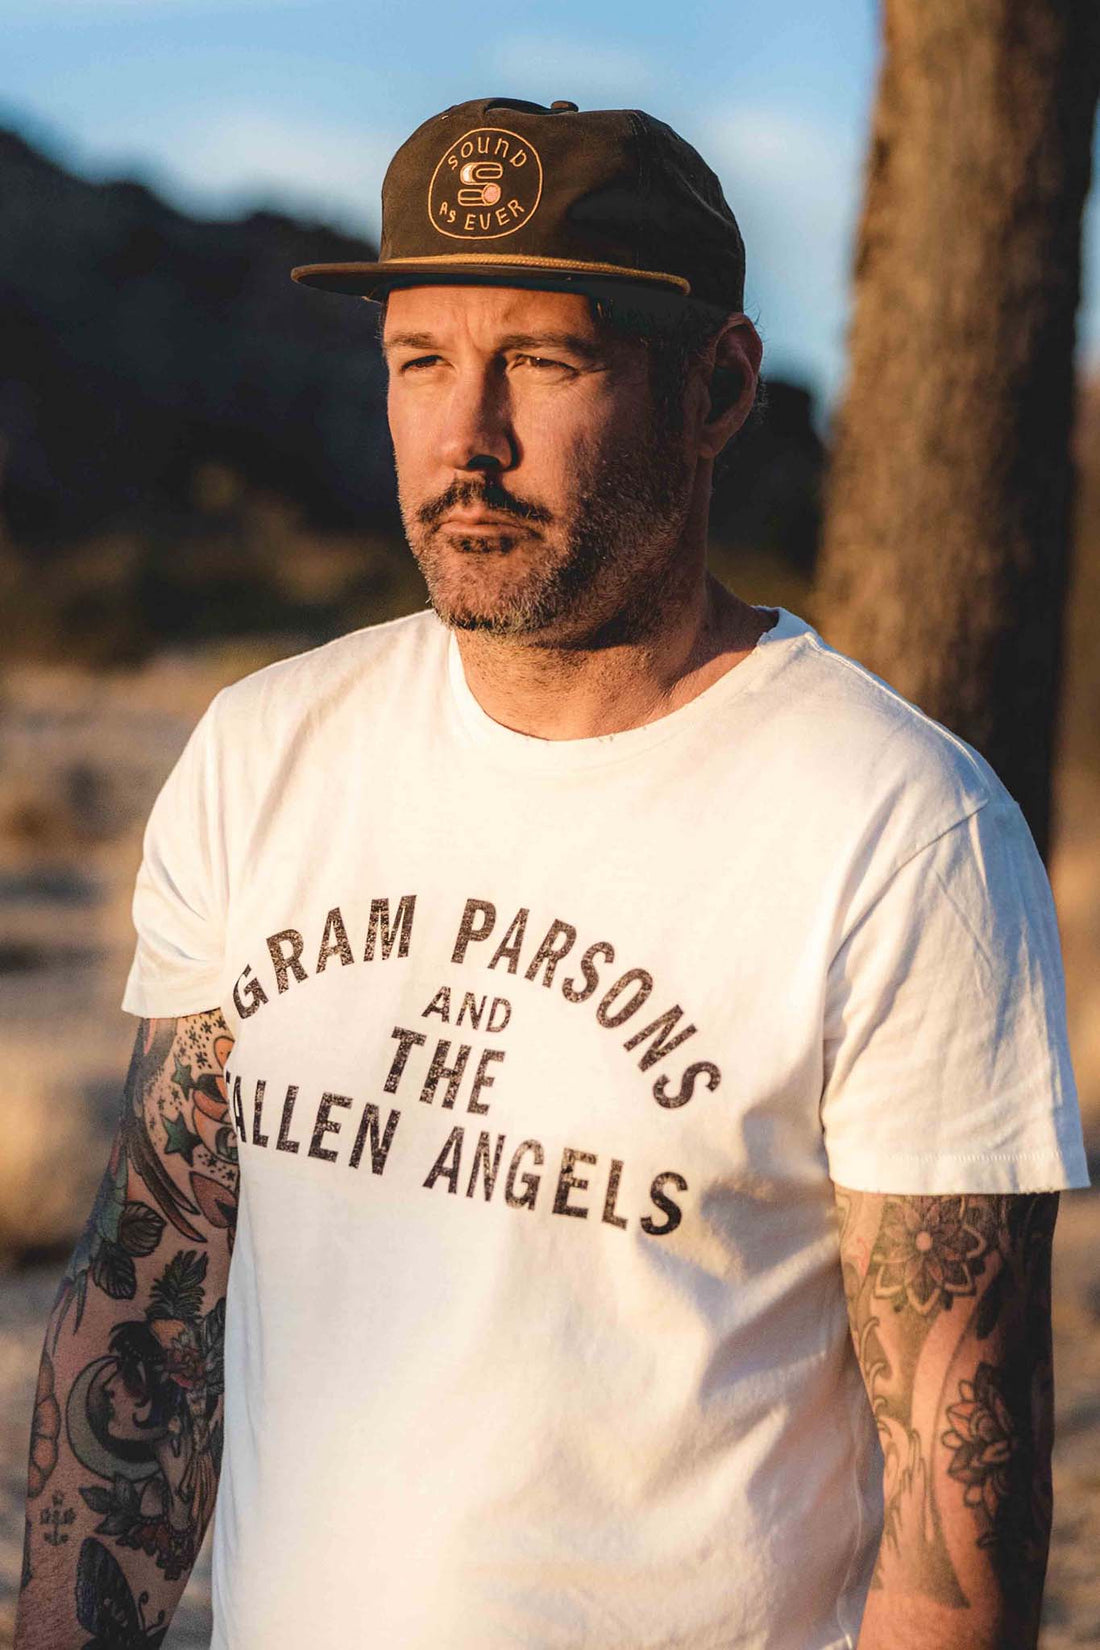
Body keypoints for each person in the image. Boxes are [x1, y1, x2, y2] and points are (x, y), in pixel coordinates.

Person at [15, 96, 1089, 1650]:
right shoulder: (264, 756)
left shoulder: (901, 832)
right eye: (422, 363)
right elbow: (149, 1315)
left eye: (546, 361)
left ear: (715, 389)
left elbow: (956, 1523)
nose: (470, 437)